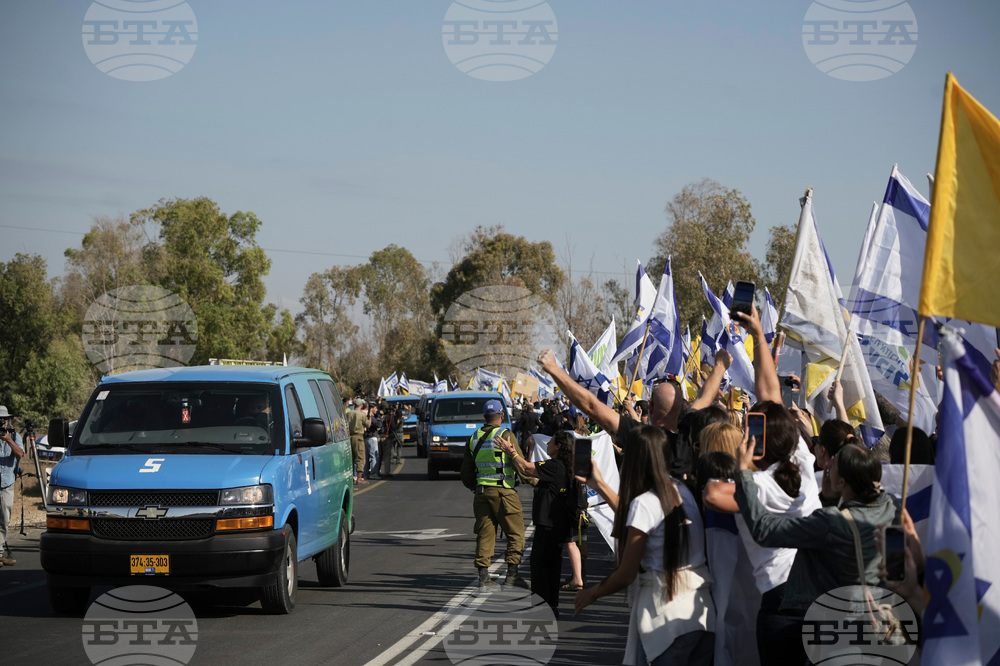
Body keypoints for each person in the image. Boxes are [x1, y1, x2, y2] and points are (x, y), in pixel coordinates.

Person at [734, 438, 902, 661]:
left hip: (840, 636)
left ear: (842, 482)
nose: (829, 465)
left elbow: (764, 530)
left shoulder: (831, 523)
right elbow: (897, 570)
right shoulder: (892, 507)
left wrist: (743, 473)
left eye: (835, 463)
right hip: (880, 629)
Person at [575, 425, 715, 665]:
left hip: (664, 622)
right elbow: (639, 519)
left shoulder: (645, 502)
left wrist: (592, 593)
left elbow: (626, 574)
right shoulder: (684, 491)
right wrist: (600, 486)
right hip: (702, 615)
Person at [497, 430, 576, 613]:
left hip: (548, 524)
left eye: (551, 442)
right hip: (558, 524)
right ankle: (551, 605)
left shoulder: (554, 466)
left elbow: (526, 468)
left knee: (539, 565)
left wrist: (511, 452)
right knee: (553, 566)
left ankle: (541, 607)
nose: (547, 445)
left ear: (558, 447)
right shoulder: (566, 466)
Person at [460, 399, 532, 589]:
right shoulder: (505, 435)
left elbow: (466, 473)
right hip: (504, 494)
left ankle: (484, 578)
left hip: (482, 493)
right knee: (516, 534)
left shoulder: (474, 437)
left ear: (485, 416)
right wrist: (538, 482)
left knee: (485, 534)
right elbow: (520, 465)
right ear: (502, 415)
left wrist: (476, 487)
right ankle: (512, 577)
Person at [0, 406, 24, 567]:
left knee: (4, 519)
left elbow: (20, 454)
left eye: (4, 420)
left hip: (7, 483)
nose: (2, 423)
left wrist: (8, 440)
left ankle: (0, 553)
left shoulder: (14, 436)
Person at [346, 400, 370, 486]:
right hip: (358, 436)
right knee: (360, 457)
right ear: (361, 405)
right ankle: (359, 478)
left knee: (351, 458)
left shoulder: (349, 413)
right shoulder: (361, 414)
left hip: (350, 437)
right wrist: (369, 417)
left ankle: (352, 477)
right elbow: (368, 425)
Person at [365, 403, 382, 480]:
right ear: (372, 408)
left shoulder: (366, 417)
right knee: (374, 456)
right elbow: (378, 425)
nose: (377, 410)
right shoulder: (372, 417)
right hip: (372, 438)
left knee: (367, 456)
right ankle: (373, 473)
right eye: (375, 408)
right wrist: (381, 419)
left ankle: (365, 473)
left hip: (366, 438)